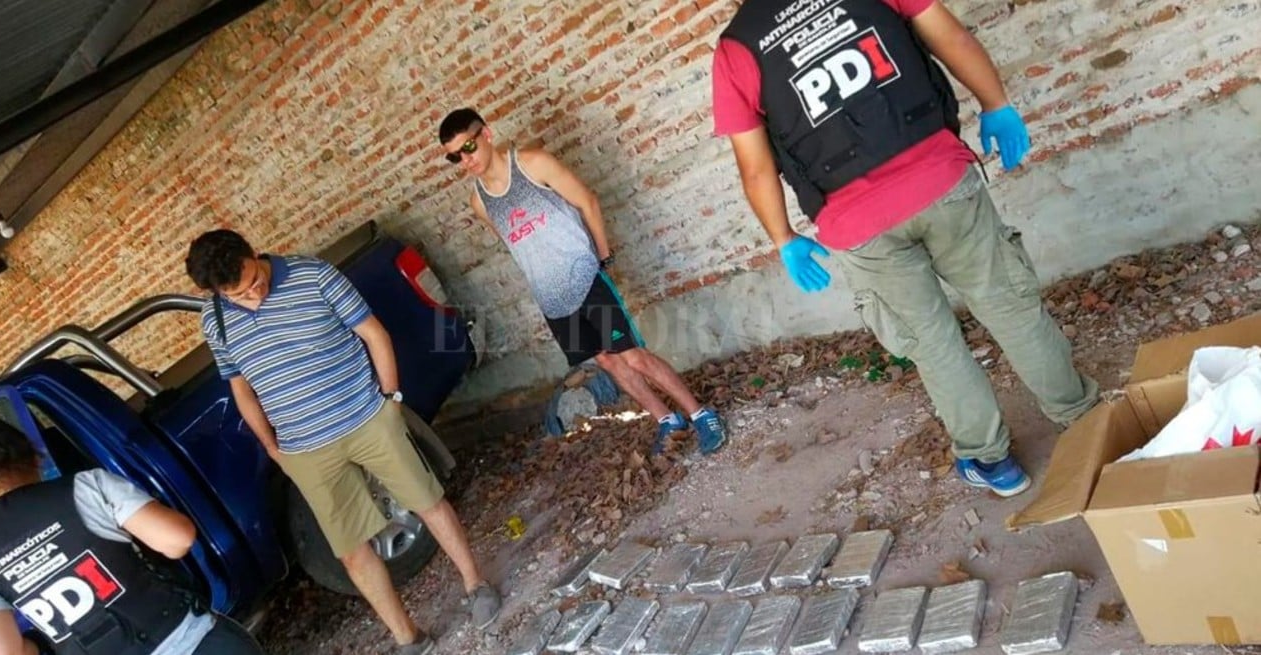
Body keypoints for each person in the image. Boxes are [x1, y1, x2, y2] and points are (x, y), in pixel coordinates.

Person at [713, 0, 1098, 496]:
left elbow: (755, 168)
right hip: (941, 179)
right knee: (1009, 306)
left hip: (857, 222)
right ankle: (1085, 418)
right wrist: (995, 104)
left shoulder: (736, 51)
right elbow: (952, 38)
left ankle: (993, 461)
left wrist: (783, 238)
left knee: (933, 344)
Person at [183, 230, 499, 654]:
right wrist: (273, 449)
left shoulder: (312, 274)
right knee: (351, 549)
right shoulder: (216, 320)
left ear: (254, 253)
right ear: (216, 293)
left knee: (427, 500)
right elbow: (242, 390)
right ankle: (408, 638)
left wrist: (391, 402)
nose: (253, 295)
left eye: (255, 280)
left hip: (367, 419)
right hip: (305, 450)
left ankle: (476, 585)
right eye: (238, 295)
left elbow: (373, 333)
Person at [437, 108, 729, 456]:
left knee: (633, 356)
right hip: (552, 299)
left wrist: (603, 258)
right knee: (605, 361)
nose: (465, 160)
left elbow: (587, 201)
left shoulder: (532, 163)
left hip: (586, 276)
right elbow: (513, 243)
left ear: (486, 134)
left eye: (468, 147)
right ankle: (667, 420)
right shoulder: (479, 202)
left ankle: (701, 414)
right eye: (455, 157)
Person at [0, 417, 265, 655]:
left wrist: (39, 645)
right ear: (35, 456)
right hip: (193, 641)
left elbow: (1, 653)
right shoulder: (85, 487)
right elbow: (176, 540)